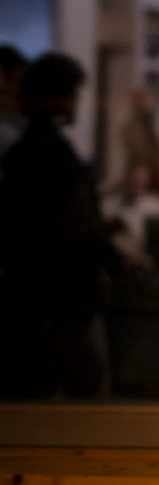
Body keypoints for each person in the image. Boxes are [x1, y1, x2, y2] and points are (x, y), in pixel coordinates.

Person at [0, 52, 120, 398]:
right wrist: (111, 255)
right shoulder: (46, 152)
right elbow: (69, 226)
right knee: (78, 389)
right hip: (58, 298)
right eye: (72, 94)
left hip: (41, 295)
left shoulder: (29, 149)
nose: (76, 103)